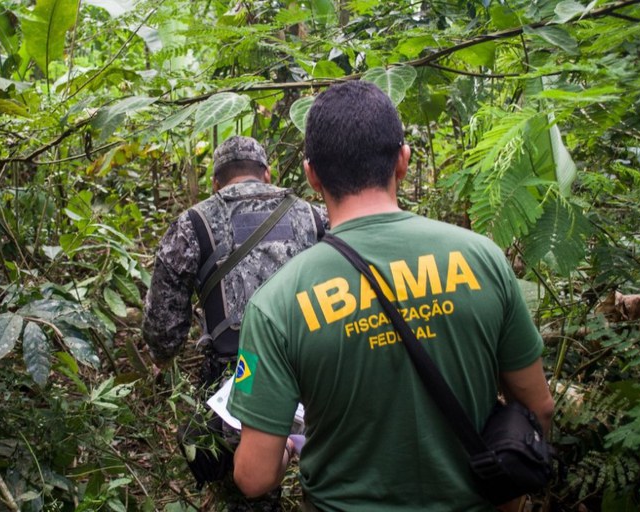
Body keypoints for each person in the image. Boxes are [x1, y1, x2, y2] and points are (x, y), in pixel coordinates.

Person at [227, 81, 555, 511]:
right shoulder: (482, 259)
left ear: (312, 175)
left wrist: (290, 446)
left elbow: (254, 477)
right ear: (403, 160)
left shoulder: (276, 304)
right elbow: (539, 408)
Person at [142, 135, 327, 509]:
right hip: (316, 373)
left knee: (239, 485)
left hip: (238, 382)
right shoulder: (315, 216)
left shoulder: (192, 224)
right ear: (267, 174)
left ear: (215, 183)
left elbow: (162, 333)